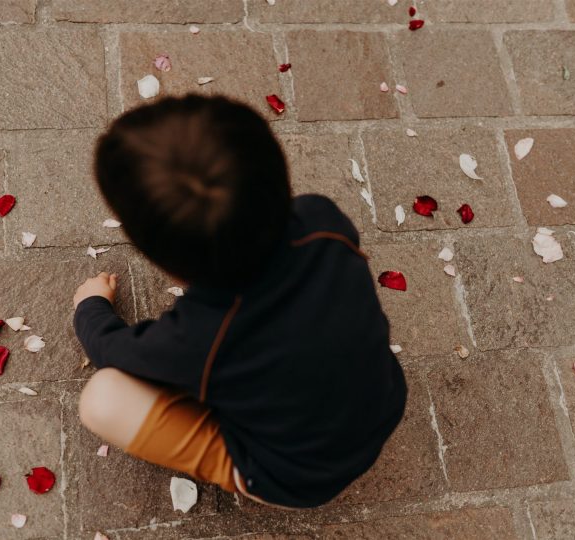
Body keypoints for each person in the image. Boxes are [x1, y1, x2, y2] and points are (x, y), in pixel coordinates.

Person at [73, 94, 407, 509]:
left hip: (294, 479)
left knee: (102, 399)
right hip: (384, 402)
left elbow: (113, 351)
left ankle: (239, 471)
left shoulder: (198, 338)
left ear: (165, 262)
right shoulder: (323, 221)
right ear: (280, 178)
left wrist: (91, 307)